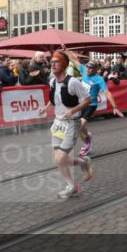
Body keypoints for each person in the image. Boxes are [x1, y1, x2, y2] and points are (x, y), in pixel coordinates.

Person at [39, 51, 93, 199]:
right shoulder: (52, 81)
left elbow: (88, 99)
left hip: (72, 124)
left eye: (56, 62)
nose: (53, 65)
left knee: (60, 158)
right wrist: (45, 108)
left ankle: (71, 185)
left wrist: (73, 110)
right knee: (58, 159)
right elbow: (55, 99)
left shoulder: (73, 82)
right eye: (52, 62)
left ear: (63, 64)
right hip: (57, 123)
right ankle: (81, 165)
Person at [78, 61, 123, 158]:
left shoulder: (99, 79)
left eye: (90, 68)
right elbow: (74, 60)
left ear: (95, 70)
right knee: (80, 129)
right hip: (80, 104)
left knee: (80, 125)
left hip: (91, 104)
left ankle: (86, 145)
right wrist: (66, 51)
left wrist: (115, 107)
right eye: (87, 67)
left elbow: (107, 93)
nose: (88, 70)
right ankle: (87, 136)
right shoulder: (84, 71)